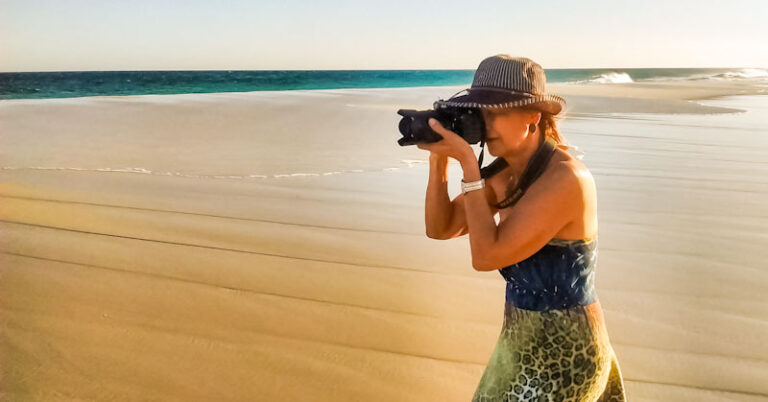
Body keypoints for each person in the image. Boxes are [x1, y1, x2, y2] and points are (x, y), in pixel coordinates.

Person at [417, 55, 627, 401]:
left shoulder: (566, 179)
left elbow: (486, 256)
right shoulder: (503, 174)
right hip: (517, 343)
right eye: (480, 114)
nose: (485, 125)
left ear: (533, 116)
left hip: (566, 354)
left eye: (495, 113)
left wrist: (470, 166)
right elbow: (441, 228)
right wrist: (438, 159)